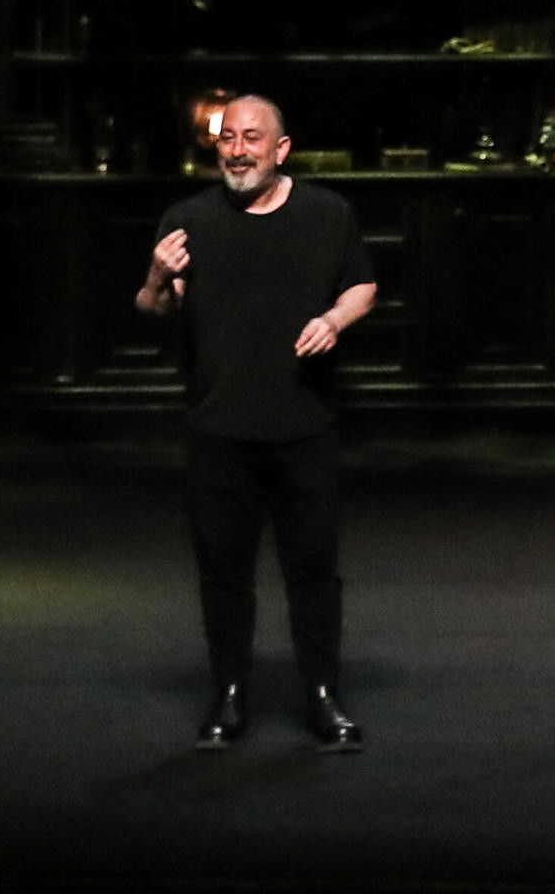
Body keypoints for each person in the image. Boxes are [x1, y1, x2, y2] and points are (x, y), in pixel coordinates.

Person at [135, 93, 379, 750]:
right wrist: (157, 275)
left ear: (281, 148)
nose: (238, 151)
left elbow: (363, 285)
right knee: (224, 573)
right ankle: (229, 695)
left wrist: (333, 320)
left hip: (304, 425)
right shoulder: (188, 219)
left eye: (252, 138)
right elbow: (154, 307)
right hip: (219, 427)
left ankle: (323, 697)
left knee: (314, 572)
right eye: (228, 139)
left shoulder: (327, 214)